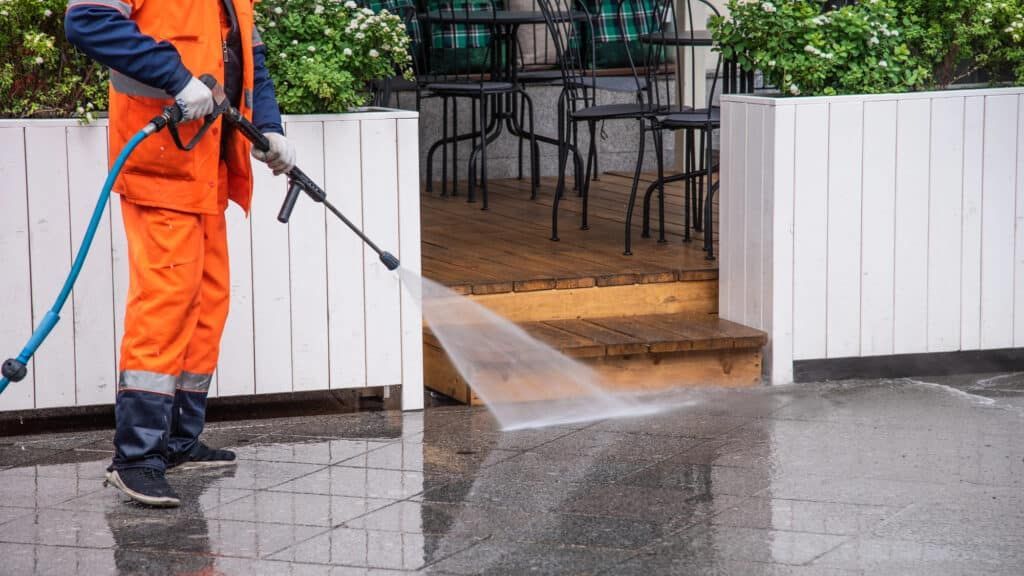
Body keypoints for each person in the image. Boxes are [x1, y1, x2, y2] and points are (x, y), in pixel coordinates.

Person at [65, 0, 295, 508]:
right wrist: (176, 77)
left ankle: (177, 440)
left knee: (207, 303)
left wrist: (271, 126)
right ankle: (136, 458)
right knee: (165, 303)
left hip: (206, 165)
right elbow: (85, 20)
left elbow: (247, 52)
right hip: (160, 166)